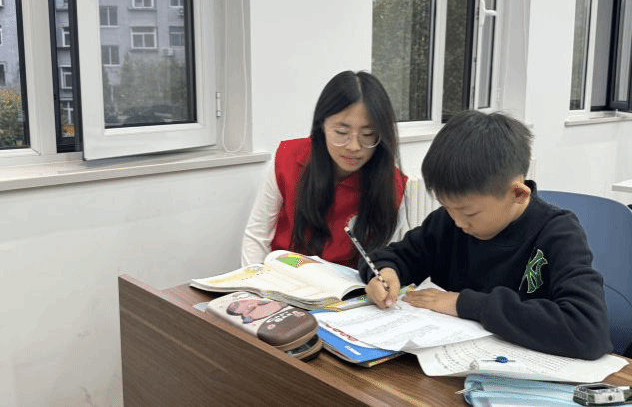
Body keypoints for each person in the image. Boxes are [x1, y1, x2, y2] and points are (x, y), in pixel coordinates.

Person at [361, 110, 612, 360]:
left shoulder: (558, 234)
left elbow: (588, 330)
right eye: (447, 208)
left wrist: (464, 304)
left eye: (469, 213)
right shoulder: (448, 222)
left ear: (518, 194)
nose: (458, 222)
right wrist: (385, 272)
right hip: (446, 362)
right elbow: (393, 256)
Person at [241, 70, 409, 268]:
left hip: (348, 285)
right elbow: (257, 236)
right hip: (284, 276)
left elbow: (387, 259)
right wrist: (252, 281)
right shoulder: (289, 159)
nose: (354, 146)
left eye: (368, 134)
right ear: (322, 125)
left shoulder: (392, 186)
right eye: (341, 132)